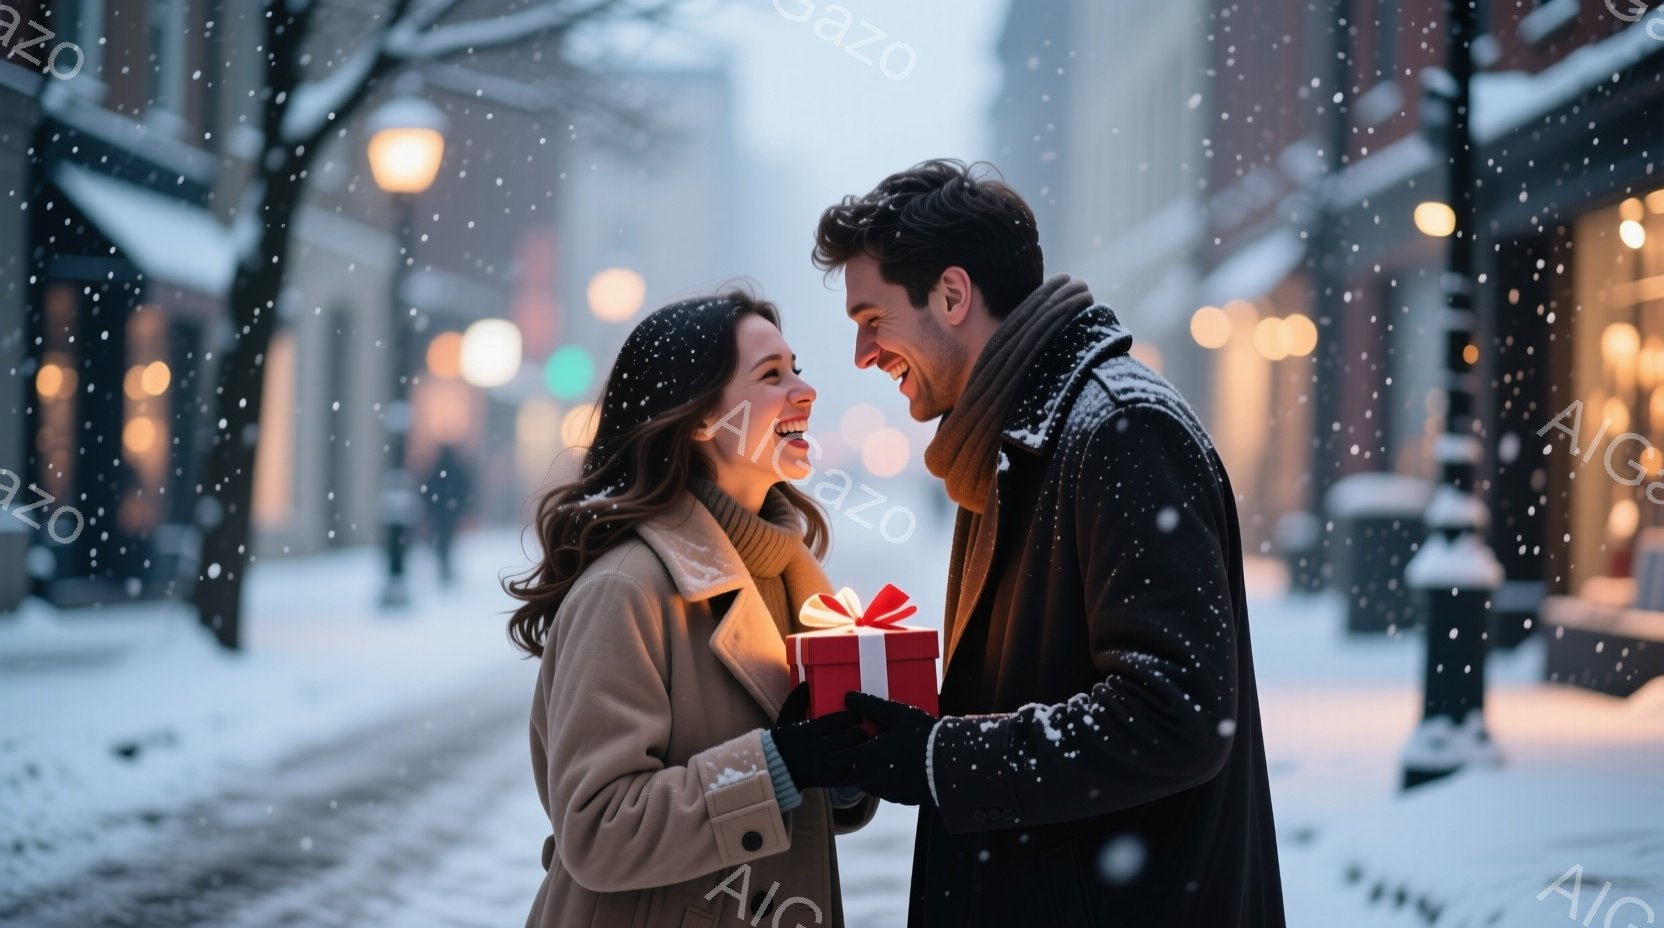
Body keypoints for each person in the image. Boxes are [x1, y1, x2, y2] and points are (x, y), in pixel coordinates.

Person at [813, 160, 1286, 926]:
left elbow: (1177, 715)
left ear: (953, 295)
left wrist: (941, 758)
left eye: (873, 320)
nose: (864, 355)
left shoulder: (1120, 430)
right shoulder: (1014, 438)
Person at [505, 291, 876, 928]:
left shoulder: (797, 586)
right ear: (701, 418)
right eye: (771, 375)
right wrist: (779, 765)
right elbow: (599, 827)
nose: (805, 389)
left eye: (797, 366)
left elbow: (798, 808)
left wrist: (845, 767)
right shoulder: (625, 589)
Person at [423, 442, 474, 586]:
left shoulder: (437, 470)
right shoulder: (456, 471)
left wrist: (431, 509)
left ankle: (444, 566)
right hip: (450, 513)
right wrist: (461, 509)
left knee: (442, 541)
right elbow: (464, 491)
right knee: (447, 541)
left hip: (441, 514)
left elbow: (428, 491)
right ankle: (445, 567)